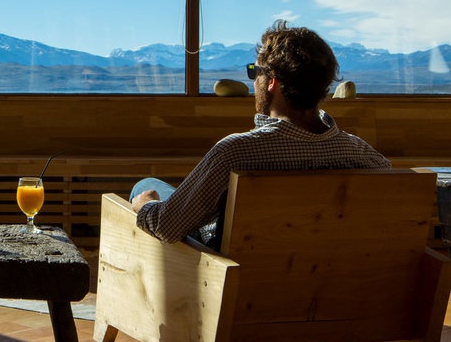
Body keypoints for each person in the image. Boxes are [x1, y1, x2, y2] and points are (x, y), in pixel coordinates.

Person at [130, 20, 391, 250]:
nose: (253, 81)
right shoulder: (367, 157)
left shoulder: (235, 152)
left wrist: (146, 207)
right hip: (332, 274)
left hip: (238, 278)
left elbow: (167, 226)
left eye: (255, 72)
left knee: (146, 188)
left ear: (272, 82)